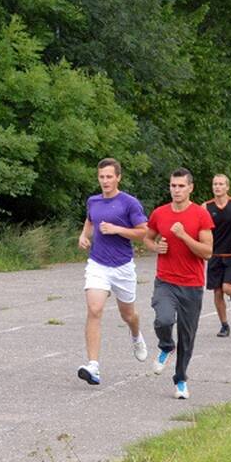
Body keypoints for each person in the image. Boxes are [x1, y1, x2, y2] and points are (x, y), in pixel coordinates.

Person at [76, 158, 149, 385]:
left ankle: (136, 336)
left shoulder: (129, 203)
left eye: (109, 177)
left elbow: (143, 232)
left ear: (118, 177)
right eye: (101, 177)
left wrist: (117, 229)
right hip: (98, 264)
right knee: (94, 309)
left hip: (123, 266)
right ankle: (93, 366)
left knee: (128, 315)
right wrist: (83, 236)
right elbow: (90, 222)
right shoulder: (93, 201)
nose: (105, 181)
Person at [144, 168, 214, 399]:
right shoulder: (160, 213)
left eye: (181, 186)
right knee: (163, 319)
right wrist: (156, 247)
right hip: (165, 281)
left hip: (192, 284)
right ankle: (165, 345)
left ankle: (181, 379)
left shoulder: (201, 215)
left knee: (187, 336)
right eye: (173, 186)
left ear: (190, 188)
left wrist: (184, 236)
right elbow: (147, 237)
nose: (176, 190)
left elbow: (207, 252)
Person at [203, 174, 231, 337]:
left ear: (227, 187)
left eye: (221, 184)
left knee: (227, 288)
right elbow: (200, 229)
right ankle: (224, 325)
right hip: (214, 253)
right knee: (217, 291)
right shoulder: (206, 207)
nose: (217, 187)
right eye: (215, 184)